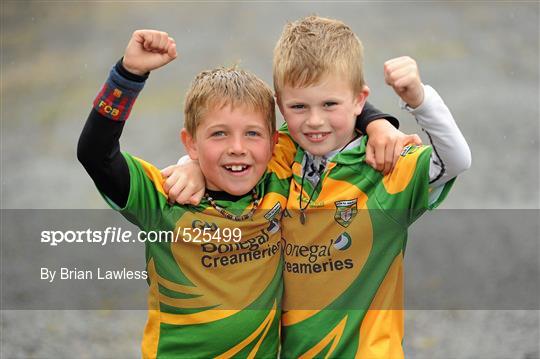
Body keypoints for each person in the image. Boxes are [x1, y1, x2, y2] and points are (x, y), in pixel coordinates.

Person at [168, 16, 471, 358]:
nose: (314, 121)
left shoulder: (382, 164)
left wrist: (419, 100)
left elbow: (456, 160)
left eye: (329, 105)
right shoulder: (278, 155)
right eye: (299, 107)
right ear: (280, 105)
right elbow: (228, 159)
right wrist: (190, 166)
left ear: (359, 101)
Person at [78, 29, 298, 358]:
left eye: (252, 133)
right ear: (190, 142)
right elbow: (95, 154)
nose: (237, 148)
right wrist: (127, 75)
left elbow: (330, 111)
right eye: (219, 134)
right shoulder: (166, 197)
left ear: (273, 142)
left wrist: (379, 122)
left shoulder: (278, 175)